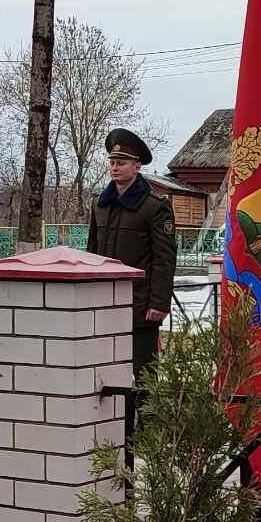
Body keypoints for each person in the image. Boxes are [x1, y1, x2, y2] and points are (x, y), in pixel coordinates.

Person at [85, 128, 176, 372]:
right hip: (103, 301)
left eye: (122, 163)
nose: (115, 168)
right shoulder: (100, 205)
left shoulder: (154, 207)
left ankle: (145, 402)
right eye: (112, 163)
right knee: (105, 370)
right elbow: (91, 252)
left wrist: (159, 303)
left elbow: (164, 258)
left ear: (137, 166)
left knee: (142, 372)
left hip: (140, 305)